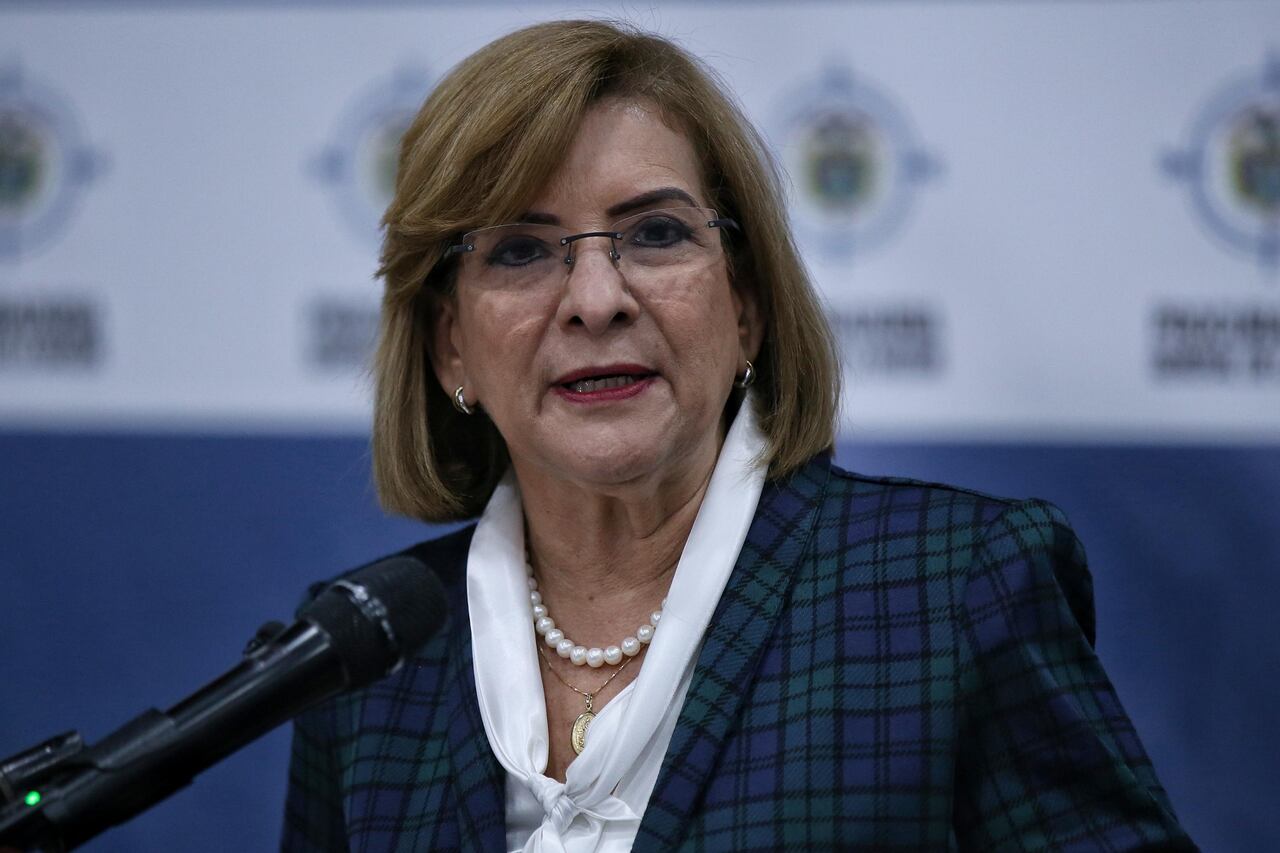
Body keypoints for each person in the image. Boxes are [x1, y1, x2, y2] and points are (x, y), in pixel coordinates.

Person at [283, 19, 1194, 853]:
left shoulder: (956, 588)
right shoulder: (360, 660)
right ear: (451, 344)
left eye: (655, 233)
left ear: (746, 308)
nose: (596, 300)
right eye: (521, 249)